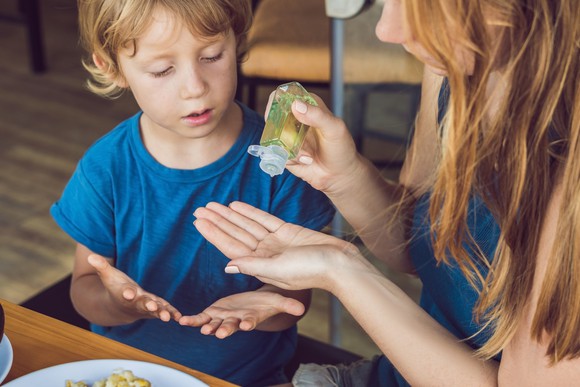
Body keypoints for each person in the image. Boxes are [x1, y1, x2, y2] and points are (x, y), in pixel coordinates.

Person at [192, 0, 580, 385]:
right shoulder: (453, 64)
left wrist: (341, 271)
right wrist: (343, 177)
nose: (387, 31)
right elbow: (423, 245)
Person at [50, 0, 335, 385]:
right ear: (111, 67)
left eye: (212, 56)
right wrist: (119, 305)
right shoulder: (106, 168)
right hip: (128, 373)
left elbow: (292, 304)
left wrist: (264, 308)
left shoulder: (283, 162)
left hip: (246, 378)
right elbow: (84, 291)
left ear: (237, 41)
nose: (195, 87)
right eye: (162, 70)